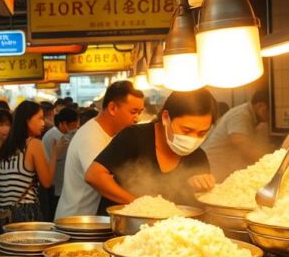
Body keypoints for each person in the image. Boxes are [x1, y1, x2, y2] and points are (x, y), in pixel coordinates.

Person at [87, 89, 217, 210]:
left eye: (202, 133)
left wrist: (202, 188)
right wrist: (141, 206)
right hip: (121, 226)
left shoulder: (198, 157)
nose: (193, 138)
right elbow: (95, 175)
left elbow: (198, 206)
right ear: (166, 117)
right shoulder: (134, 137)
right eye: (186, 130)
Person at [56, 81, 144, 218]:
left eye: (140, 112)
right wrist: (141, 205)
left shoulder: (112, 135)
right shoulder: (91, 135)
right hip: (76, 221)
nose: (137, 118)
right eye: (133, 112)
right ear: (113, 108)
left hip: (90, 219)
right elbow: (98, 179)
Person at [0, 101, 64, 237]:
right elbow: (46, 182)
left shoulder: (7, 145)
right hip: (24, 213)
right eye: (39, 118)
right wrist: (55, 154)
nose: (43, 123)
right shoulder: (34, 144)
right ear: (27, 120)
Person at [200, 89, 270, 183]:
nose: (270, 116)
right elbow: (239, 141)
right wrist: (267, 162)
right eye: (271, 111)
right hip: (213, 167)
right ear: (261, 106)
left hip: (223, 167)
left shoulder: (249, 115)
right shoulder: (242, 114)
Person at [42, 107, 79, 219]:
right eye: (73, 125)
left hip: (59, 185)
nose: (75, 127)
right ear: (63, 124)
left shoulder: (61, 136)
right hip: (55, 186)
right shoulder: (55, 137)